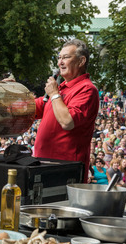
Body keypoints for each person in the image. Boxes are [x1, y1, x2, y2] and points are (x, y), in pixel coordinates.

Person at [33, 39, 99, 182]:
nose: (60, 63)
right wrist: (11, 94)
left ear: (81, 61)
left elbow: (67, 122)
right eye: (59, 58)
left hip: (65, 169)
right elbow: (30, 108)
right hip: (43, 164)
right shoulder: (61, 88)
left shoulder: (87, 89)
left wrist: (55, 95)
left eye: (66, 57)